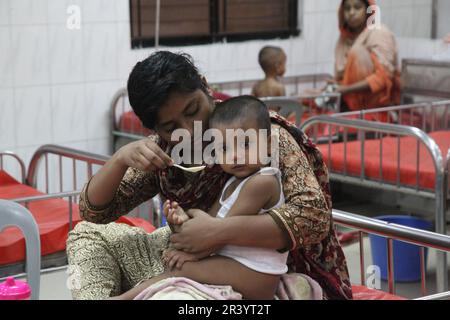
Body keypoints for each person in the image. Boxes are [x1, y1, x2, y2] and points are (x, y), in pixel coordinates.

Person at [66, 51, 352, 300]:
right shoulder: (166, 152)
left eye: (193, 110)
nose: (189, 130)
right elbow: (94, 212)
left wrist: (215, 233)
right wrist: (119, 159)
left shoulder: (259, 137)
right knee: (87, 234)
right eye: (170, 126)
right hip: (191, 256)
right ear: (155, 129)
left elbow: (312, 216)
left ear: (205, 86)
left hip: (261, 271)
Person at [112, 96, 288, 300]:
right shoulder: (233, 182)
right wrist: (183, 221)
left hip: (258, 276)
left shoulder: (263, 182)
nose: (235, 155)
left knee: (183, 268)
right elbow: (211, 222)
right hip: (236, 264)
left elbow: (217, 235)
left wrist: (192, 254)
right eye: (225, 148)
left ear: (268, 145)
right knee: (179, 267)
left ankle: (123, 299)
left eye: (245, 144)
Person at [333, 0, 401, 111]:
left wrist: (345, 89)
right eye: (347, 8)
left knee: (357, 52)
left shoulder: (379, 33)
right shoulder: (343, 39)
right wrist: (334, 86)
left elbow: (383, 78)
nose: (351, 13)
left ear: (368, 11)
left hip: (377, 103)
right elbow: (345, 76)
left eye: (357, 7)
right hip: (347, 98)